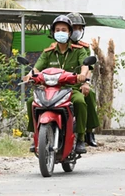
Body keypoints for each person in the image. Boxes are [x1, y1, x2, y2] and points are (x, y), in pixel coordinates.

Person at [23, 15, 89, 154]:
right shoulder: (48, 52)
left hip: (70, 89)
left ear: (69, 33)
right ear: (53, 33)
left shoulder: (79, 50)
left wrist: (82, 75)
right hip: (50, 89)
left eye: (64, 30)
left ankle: (81, 137)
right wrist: (30, 75)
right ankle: (34, 134)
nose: (60, 32)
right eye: (57, 29)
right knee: (31, 102)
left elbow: (85, 65)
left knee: (80, 102)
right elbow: (37, 68)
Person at [66, 12, 100, 147]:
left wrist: (85, 81)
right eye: (74, 27)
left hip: (78, 83)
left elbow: (87, 67)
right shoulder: (55, 46)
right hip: (59, 83)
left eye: (79, 28)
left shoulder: (84, 48)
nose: (76, 31)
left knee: (89, 94)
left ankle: (89, 131)